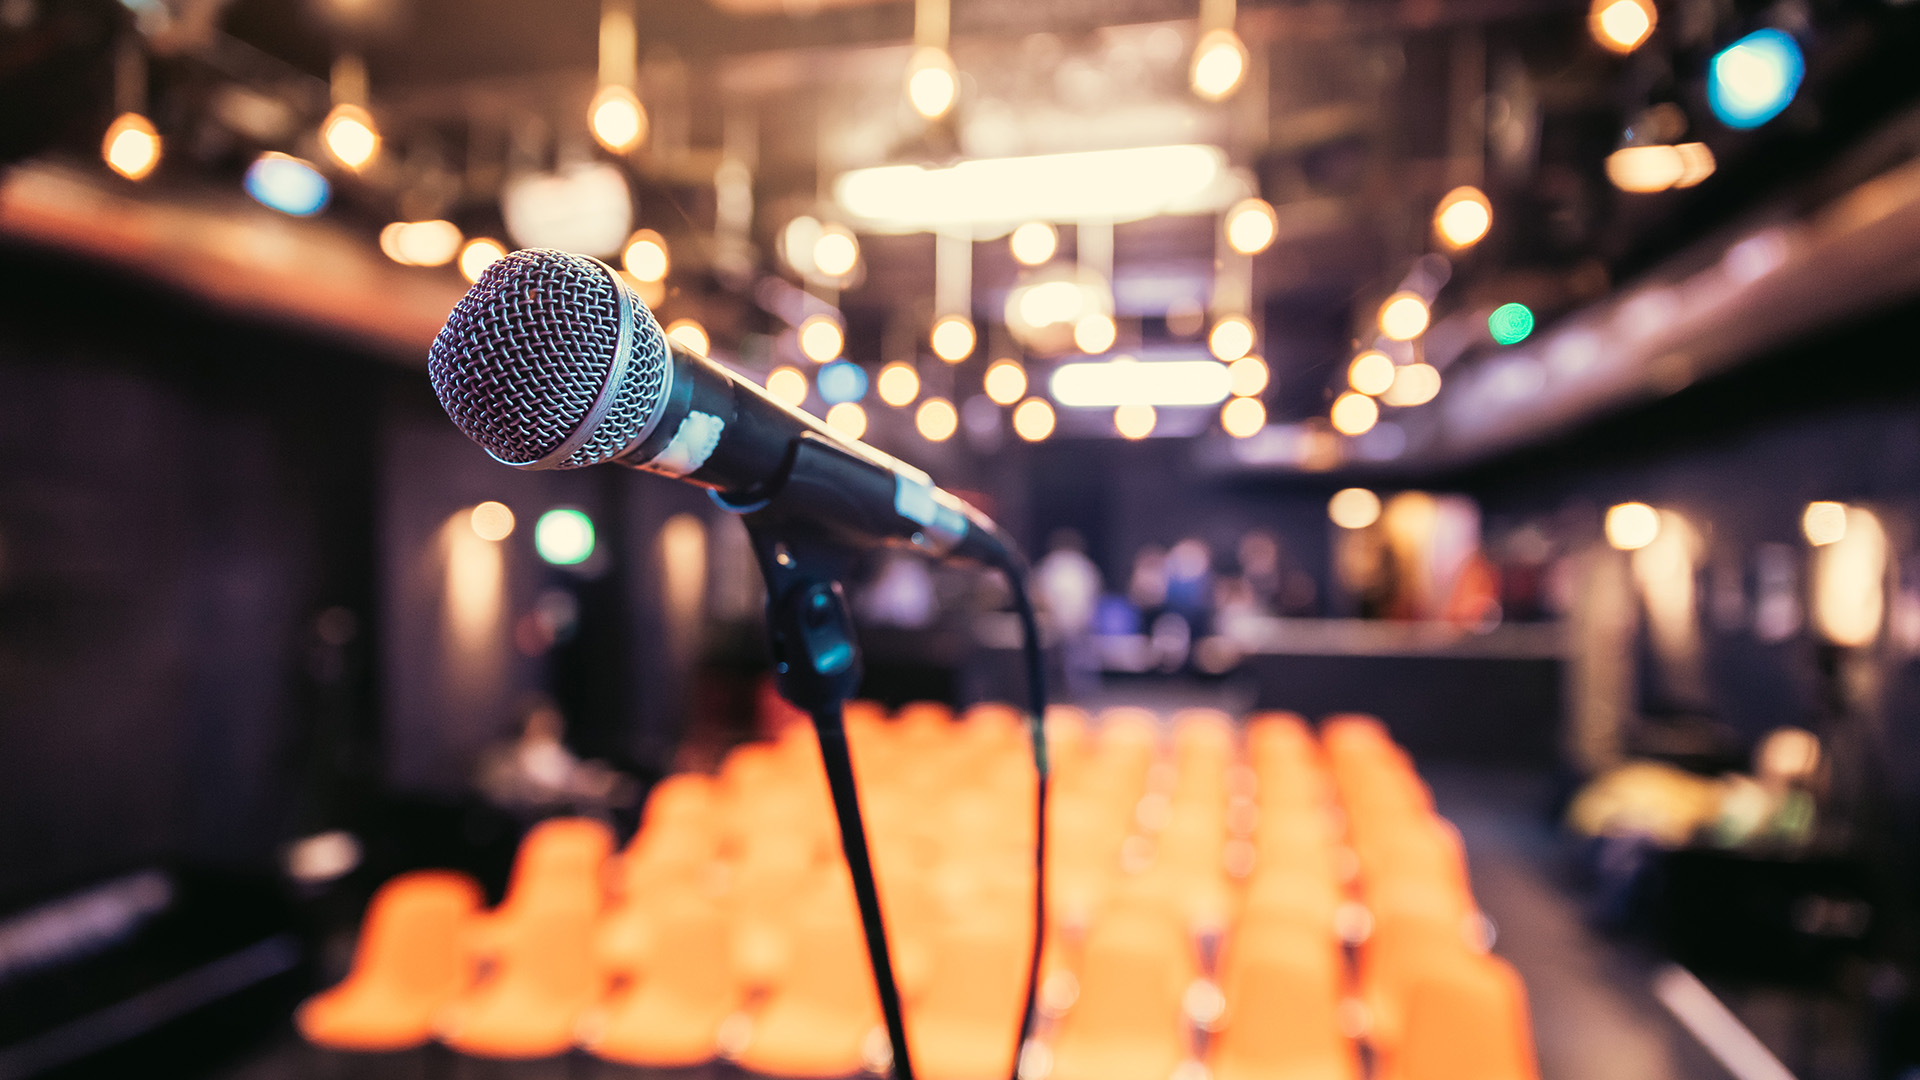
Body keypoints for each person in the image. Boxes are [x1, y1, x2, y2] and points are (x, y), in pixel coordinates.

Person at [1033, 529, 1105, 700]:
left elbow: (1039, 594)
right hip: (1080, 621)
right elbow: (1097, 591)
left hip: (1061, 622)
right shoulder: (1085, 566)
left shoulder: (1051, 565)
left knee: (1069, 662)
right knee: (1079, 661)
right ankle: (1082, 697)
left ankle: (1066, 696)